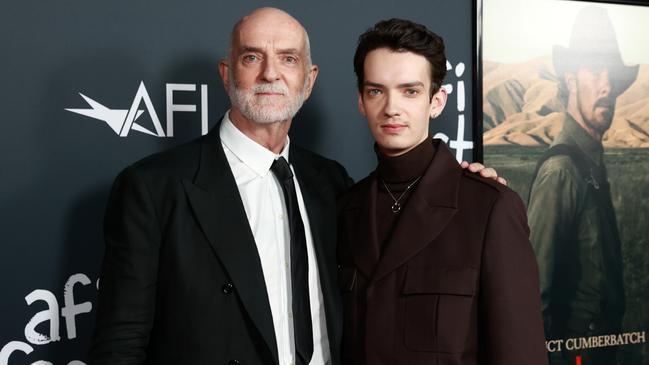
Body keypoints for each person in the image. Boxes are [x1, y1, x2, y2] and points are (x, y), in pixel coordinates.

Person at [89, 7, 501, 365]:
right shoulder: (153, 188)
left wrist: (465, 185)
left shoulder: (332, 183)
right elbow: (120, 346)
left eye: (288, 59)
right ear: (227, 73)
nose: (271, 73)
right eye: (253, 57)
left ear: (309, 79)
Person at [337, 18, 547, 364]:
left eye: (410, 91)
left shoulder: (490, 207)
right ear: (361, 101)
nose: (391, 107)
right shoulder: (344, 210)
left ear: (437, 101)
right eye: (376, 91)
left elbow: (520, 354)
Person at [527, 6, 637, 364]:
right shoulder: (561, 172)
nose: (607, 85)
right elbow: (534, 299)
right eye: (594, 70)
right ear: (571, 80)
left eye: (612, 75)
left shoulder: (591, 165)